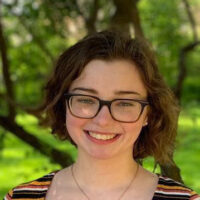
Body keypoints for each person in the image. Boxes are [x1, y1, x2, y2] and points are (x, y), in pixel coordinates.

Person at [4, 31, 200, 200]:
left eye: (124, 103)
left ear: (148, 114)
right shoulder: (20, 197)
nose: (103, 120)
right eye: (86, 100)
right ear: (63, 105)